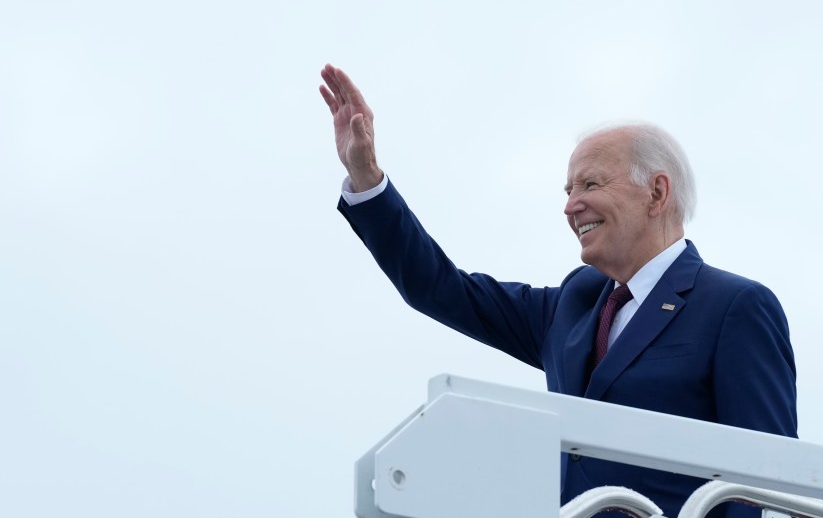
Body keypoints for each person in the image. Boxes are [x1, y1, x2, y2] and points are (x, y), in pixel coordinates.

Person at [319, 63, 797, 518]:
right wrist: (367, 179)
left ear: (657, 192)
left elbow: (764, 485)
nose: (571, 206)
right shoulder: (574, 304)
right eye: (567, 190)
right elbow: (439, 288)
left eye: (589, 183)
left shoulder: (735, 307)